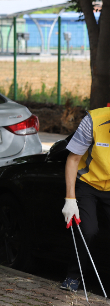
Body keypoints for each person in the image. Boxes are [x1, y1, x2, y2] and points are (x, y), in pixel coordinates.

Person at [60, 106, 110, 292]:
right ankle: (73, 276)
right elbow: (73, 159)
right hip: (87, 182)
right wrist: (70, 198)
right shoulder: (94, 120)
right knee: (88, 230)